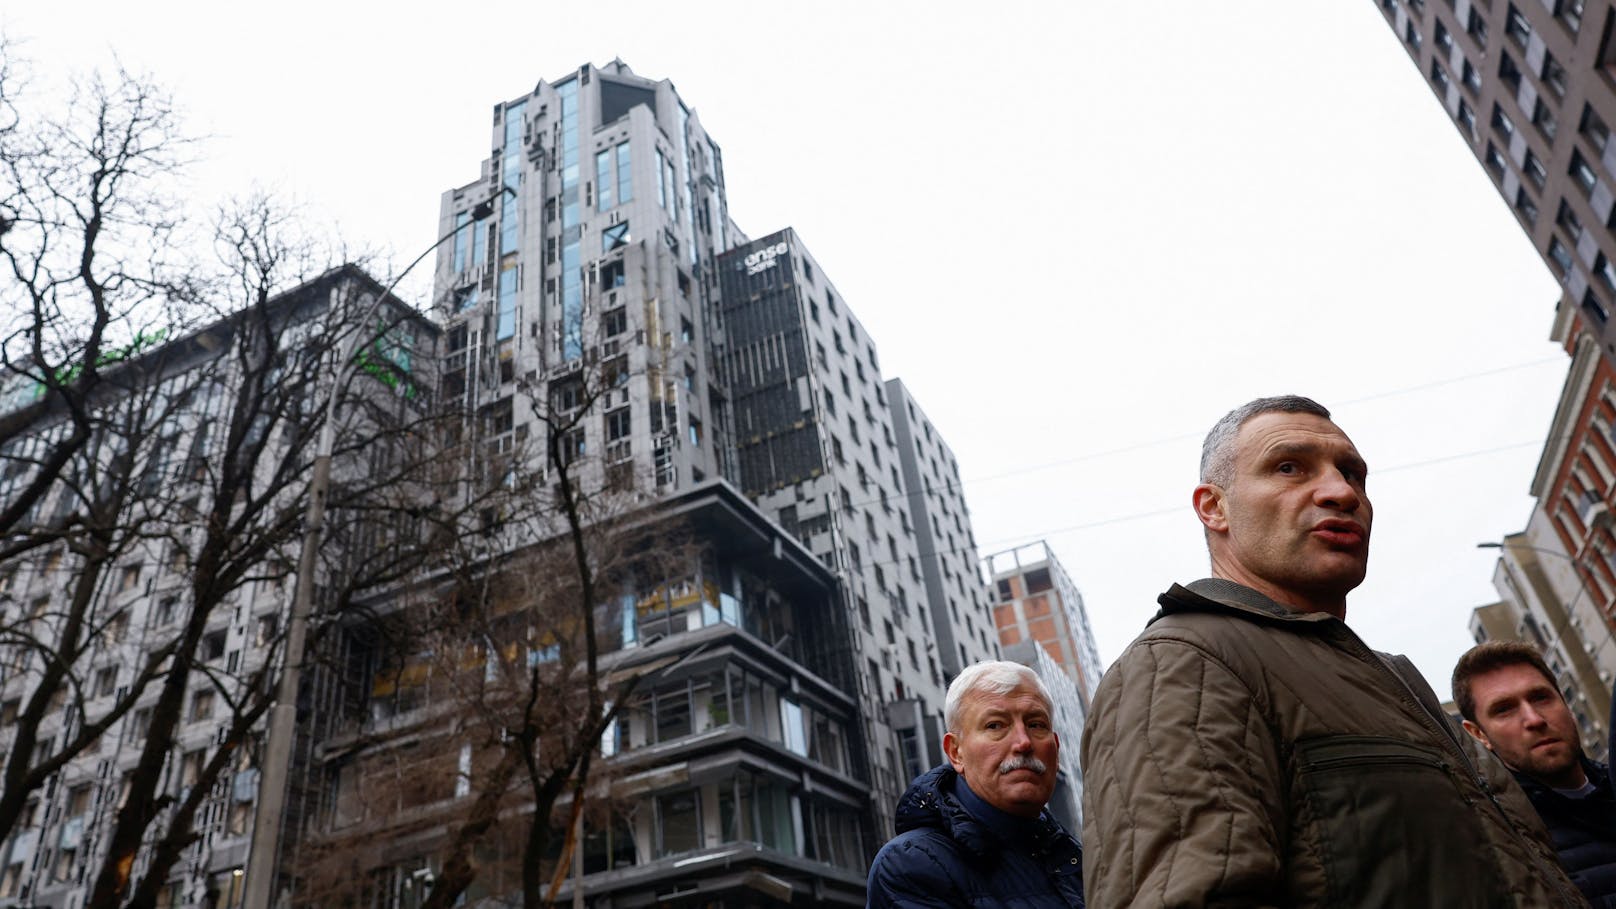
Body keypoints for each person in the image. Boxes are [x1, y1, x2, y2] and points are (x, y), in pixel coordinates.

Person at [1081, 395, 1584, 907]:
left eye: (1353, 474)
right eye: (1289, 468)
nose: (1341, 492)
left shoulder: (1396, 680)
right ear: (1214, 507)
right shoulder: (1182, 663)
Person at [867, 660, 1084, 908]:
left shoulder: (1076, 857)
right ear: (956, 753)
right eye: (995, 725)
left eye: (1036, 724)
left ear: (1056, 749)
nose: (1023, 742)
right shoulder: (911, 866)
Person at [1454, 641, 1616, 906]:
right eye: (1504, 709)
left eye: (1541, 697)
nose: (1534, 719)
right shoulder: (1509, 851)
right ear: (1479, 734)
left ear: (1564, 702)